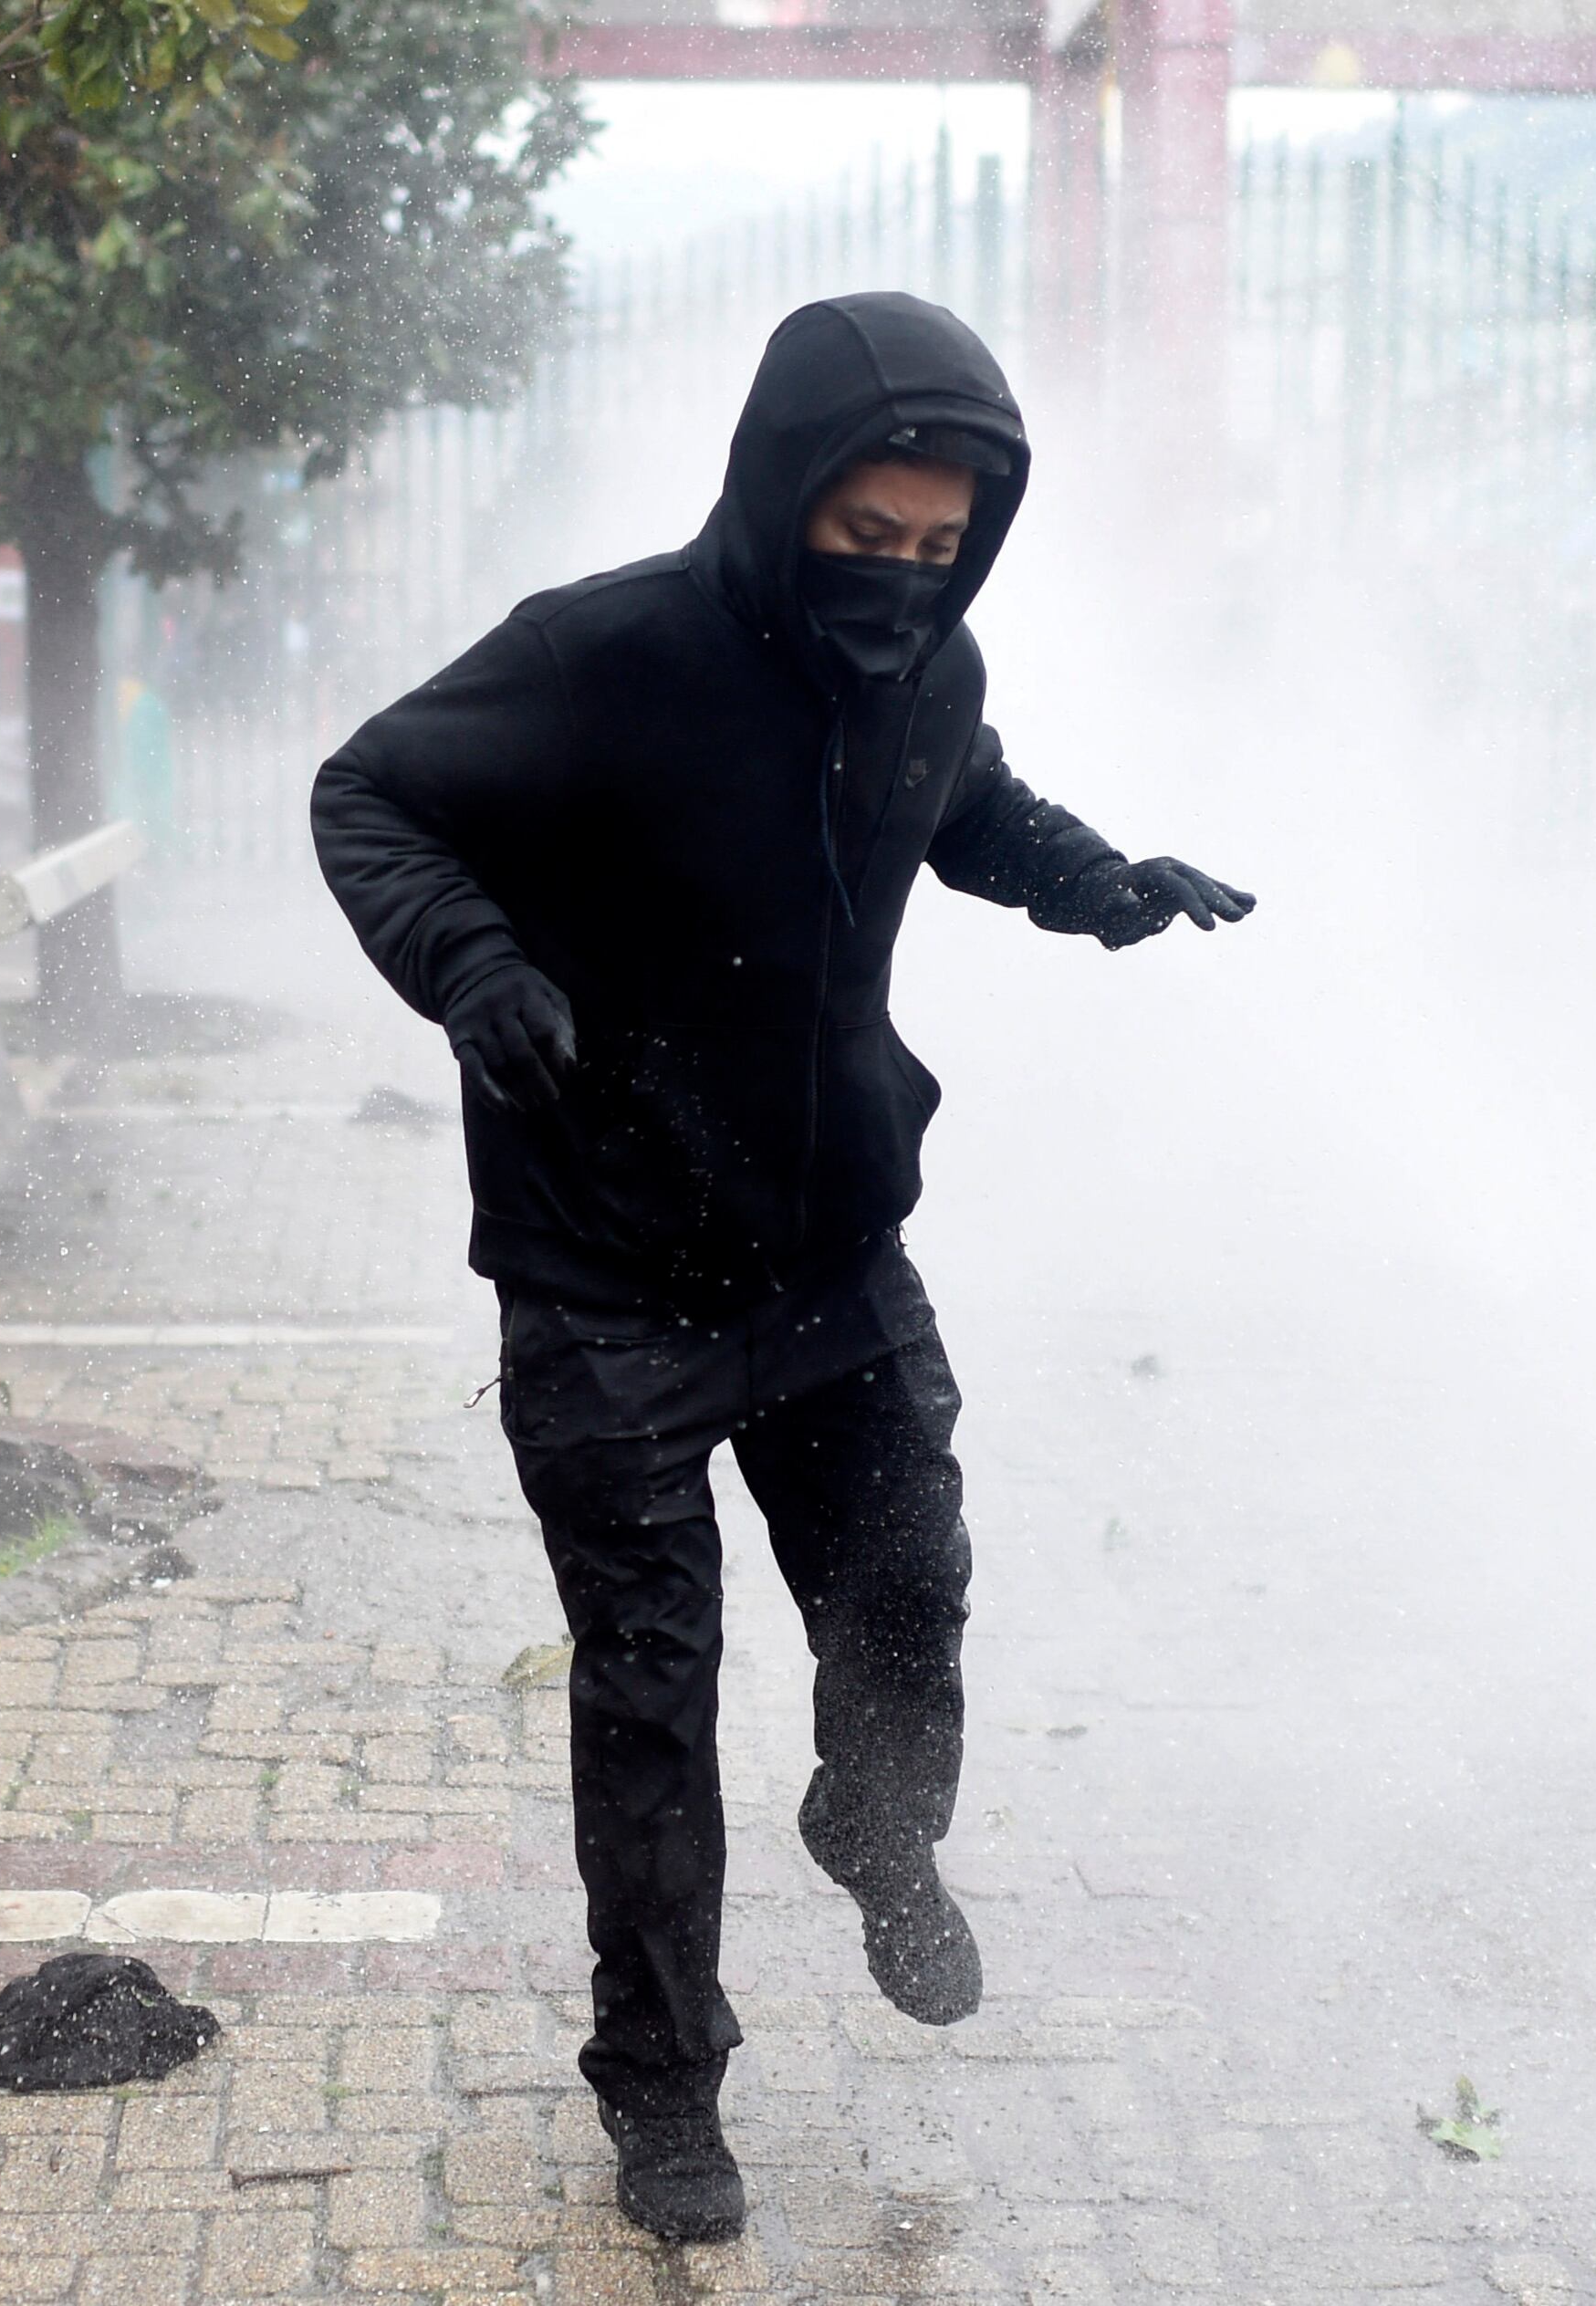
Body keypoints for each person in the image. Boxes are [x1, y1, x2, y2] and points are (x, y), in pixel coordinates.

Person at [311, 293, 1254, 2245]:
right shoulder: (602, 654)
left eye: (937, 552)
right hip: (602, 1276)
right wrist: (476, 969)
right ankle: (662, 2090)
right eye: (864, 539)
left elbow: (959, 797)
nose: (897, 583)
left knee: (912, 1578)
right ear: (777, 493)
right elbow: (370, 795)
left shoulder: (928, 664)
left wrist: (1101, 883)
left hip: (827, 1253)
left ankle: (875, 1827)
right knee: (652, 1697)